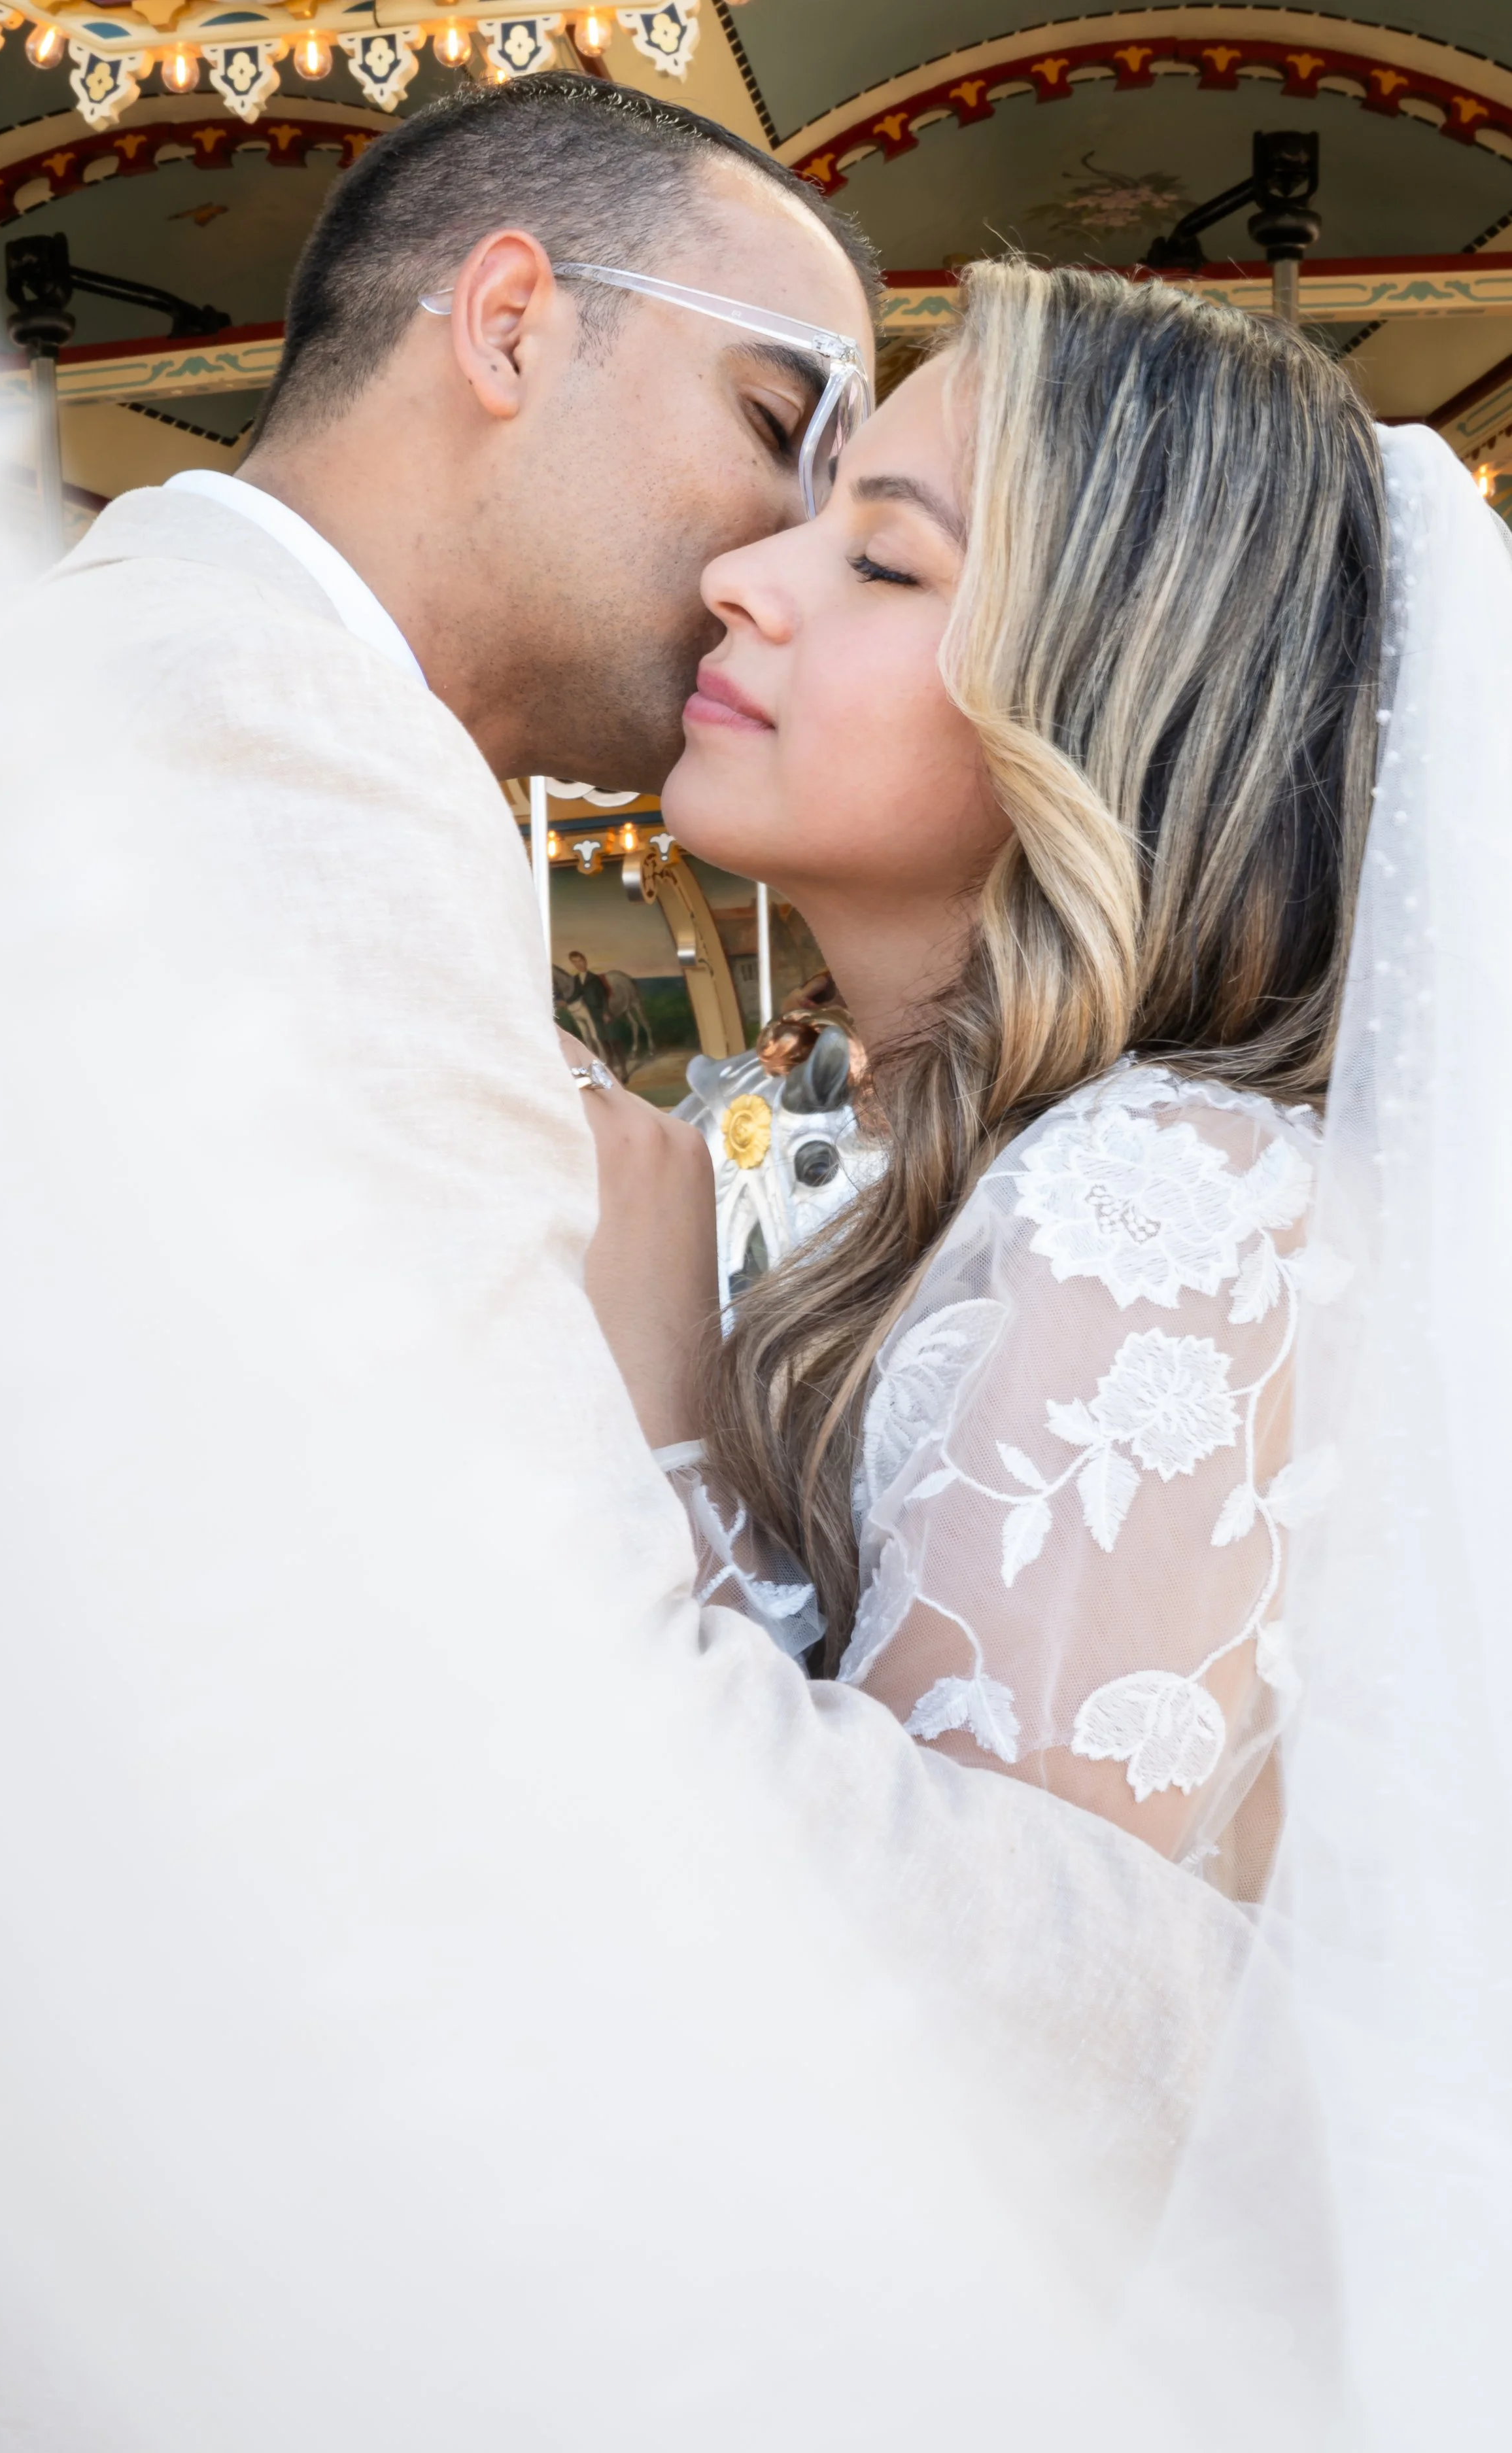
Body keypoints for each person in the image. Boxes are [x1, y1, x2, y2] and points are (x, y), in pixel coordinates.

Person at [0, 80, 1271, 2453]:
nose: (772, 552)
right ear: (508, 320)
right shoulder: (254, 754)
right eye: (779, 423)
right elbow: (520, 1740)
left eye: (874, 531)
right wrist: (1273, 2038)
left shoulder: (210, 729)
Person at [579, 257, 1512, 2436]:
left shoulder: (1166, 1198)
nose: (746, 573)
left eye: (884, 551)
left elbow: (982, 2079)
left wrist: (652, 1414)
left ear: (1108, 701)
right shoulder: (981, 1182)